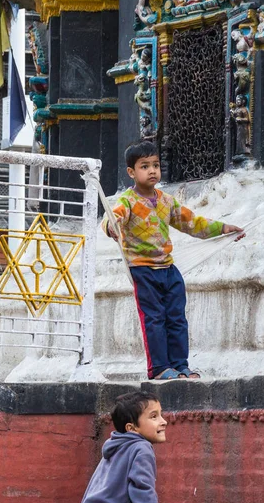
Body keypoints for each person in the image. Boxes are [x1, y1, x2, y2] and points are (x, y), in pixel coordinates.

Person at [102, 140, 245, 380]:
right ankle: (159, 368)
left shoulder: (167, 201)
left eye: (155, 165)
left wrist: (224, 229)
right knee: (154, 319)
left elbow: (193, 223)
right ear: (131, 172)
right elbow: (112, 218)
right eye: (144, 166)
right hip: (142, 270)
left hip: (169, 269)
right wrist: (111, 227)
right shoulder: (127, 201)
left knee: (177, 318)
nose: (152, 171)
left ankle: (180, 366)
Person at [69, 391, 167, 503]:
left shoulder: (114, 447)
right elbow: (144, 495)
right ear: (131, 428)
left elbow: (91, 491)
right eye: (154, 417)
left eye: (161, 414)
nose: (164, 421)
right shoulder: (141, 448)